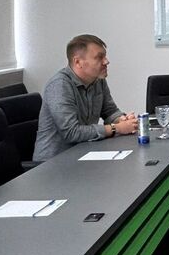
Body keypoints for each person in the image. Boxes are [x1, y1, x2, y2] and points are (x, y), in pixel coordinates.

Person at [33, 34, 138, 162]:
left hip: (84, 154)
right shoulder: (59, 85)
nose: (106, 61)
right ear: (78, 62)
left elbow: (110, 111)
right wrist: (116, 128)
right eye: (99, 57)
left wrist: (122, 119)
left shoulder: (98, 80)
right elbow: (71, 132)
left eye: (105, 56)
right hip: (53, 164)